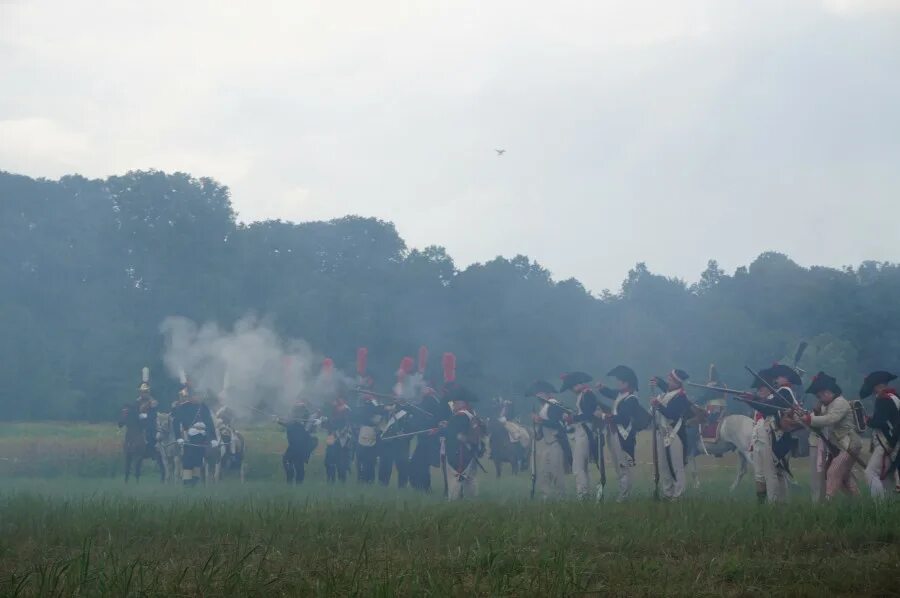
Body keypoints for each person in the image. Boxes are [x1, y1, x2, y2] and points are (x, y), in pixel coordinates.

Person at [797, 372, 861, 500]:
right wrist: (801, 417)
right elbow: (817, 425)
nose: (819, 398)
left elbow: (830, 419)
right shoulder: (826, 406)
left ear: (827, 392)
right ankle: (857, 503)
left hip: (848, 443)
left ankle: (828, 502)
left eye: (820, 395)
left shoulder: (840, 402)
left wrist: (810, 418)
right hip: (839, 445)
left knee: (833, 471)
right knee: (844, 477)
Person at [596, 365, 646, 502]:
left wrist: (605, 416)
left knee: (624, 466)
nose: (617, 383)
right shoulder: (621, 395)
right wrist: (602, 389)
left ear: (626, 383)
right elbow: (611, 393)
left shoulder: (631, 399)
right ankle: (622, 492)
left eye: (619, 381)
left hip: (624, 436)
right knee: (618, 465)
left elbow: (623, 417)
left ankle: (625, 495)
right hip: (614, 433)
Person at [748, 367, 794, 504]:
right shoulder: (764, 401)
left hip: (771, 439)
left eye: (762, 387)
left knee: (772, 473)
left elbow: (769, 408)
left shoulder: (776, 398)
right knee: (759, 475)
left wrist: (753, 399)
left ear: (769, 387)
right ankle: (763, 505)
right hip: (759, 439)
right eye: (758, 388)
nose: (759, 390)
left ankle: (776, 504)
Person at [650, 369, 692, 500]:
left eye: (671, 380)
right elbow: (666, 390)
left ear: (677, 382)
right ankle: (667, 493)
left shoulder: (681, 397)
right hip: (662, 433)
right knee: (663, 465)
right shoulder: (667, 394)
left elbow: (672, 414)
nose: (668, 382)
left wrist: (658, 405)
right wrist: (657, 382)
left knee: (676, 466)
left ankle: (678, 495)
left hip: (675, 434)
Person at [860, 371, 900, 499]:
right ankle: (888, 508)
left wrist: (868, 420)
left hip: (887, 441)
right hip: (893, 440)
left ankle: (879, 507)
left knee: (870, 473)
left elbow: (882, 423)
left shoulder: (883, 398)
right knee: (887, 477)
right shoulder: (893, 396)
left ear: (877, 386)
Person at [528, 380, 570, 500]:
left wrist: (539, 420)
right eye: (537, 393)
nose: (538, 395)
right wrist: (538, 433)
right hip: (547, 443)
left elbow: (556, 423)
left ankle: (561, 496)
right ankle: (545, 495)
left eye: (540, 393)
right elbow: (544, 426)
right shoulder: (544, 407)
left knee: (556, 471)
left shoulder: (554, 405)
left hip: (556, 441)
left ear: (546, 393)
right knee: (543, 471)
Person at [560, 372, 600, 500]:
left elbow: (589, 414)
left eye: (572, 387)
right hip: (582, 431)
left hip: (585, 431)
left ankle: (582, 494)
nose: (571, 390)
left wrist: (573, 418)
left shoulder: (587, 394)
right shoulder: (583, 395)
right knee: (582, 466)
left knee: (578, 466)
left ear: (576, 385)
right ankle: (584, 492)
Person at [442, 385, 485, 501]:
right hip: (469, 452)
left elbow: (452, 433)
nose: (453, 405)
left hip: (458, 452)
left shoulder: (461, 415)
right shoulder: (470, 413)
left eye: (455, 402)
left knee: (455, 478)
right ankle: (472, 501)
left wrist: (443, 429)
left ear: (461, 403)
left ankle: (454, 501)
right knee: (470, 478)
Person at [172, 383, 217, 486]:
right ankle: (186, 481)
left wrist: (213, 438)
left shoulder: (204, 407)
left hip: (202, 437)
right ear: (191, 396)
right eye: (196, 395)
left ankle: (194, 481)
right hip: (188, 437)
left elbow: (210, 423)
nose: (198, 397)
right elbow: (176, 422)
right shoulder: (184, 407)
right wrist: (179, 437)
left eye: (199, 395)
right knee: (188, 460)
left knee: (198, 460)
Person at [277, 402, 318, 485]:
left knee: (288, 461)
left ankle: (292, 480)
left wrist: (278, 421)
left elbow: (289, 424)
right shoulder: (297, 420)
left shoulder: (303, 422)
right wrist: (278, 420)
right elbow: (288, 423)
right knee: (297, 465)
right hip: (299, 447)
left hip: (297, 447)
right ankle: (297, 483)